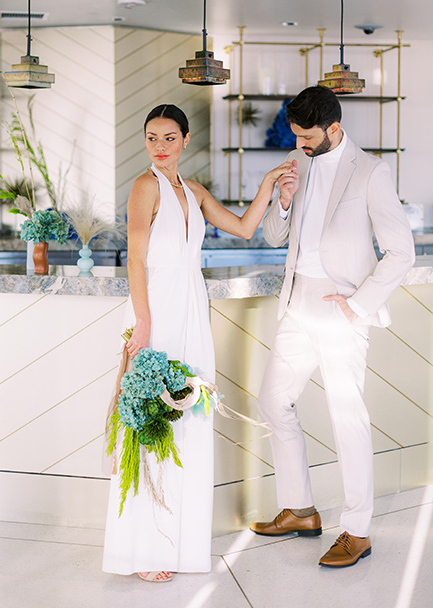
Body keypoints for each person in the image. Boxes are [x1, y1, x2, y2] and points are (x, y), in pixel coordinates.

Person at [103, 103, 291, 582]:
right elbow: (136, 260)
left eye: (169, 138)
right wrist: (142, 322)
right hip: (156, 309)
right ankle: (144, 549)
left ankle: (179, 543)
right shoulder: (144, 186)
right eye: (151, 137)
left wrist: (271, 184)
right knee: (150, 421)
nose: (159, 147)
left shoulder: (194, 190)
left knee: (187, 415)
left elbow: (246, 228)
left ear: (186, 140)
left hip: (191, 306)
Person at [250, 85, 415, 567]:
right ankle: (300, 508)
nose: (298, 144)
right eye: (295, 135)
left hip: (341, 312)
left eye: (306, 136)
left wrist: (358, 305)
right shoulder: (296, 160)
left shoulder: (371, 171)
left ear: (334, 129)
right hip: (297, 306)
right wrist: (282, 201)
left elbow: (401, 251)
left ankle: (357, 531)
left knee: (348, 419)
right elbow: (275, 236)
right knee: (273, 400)